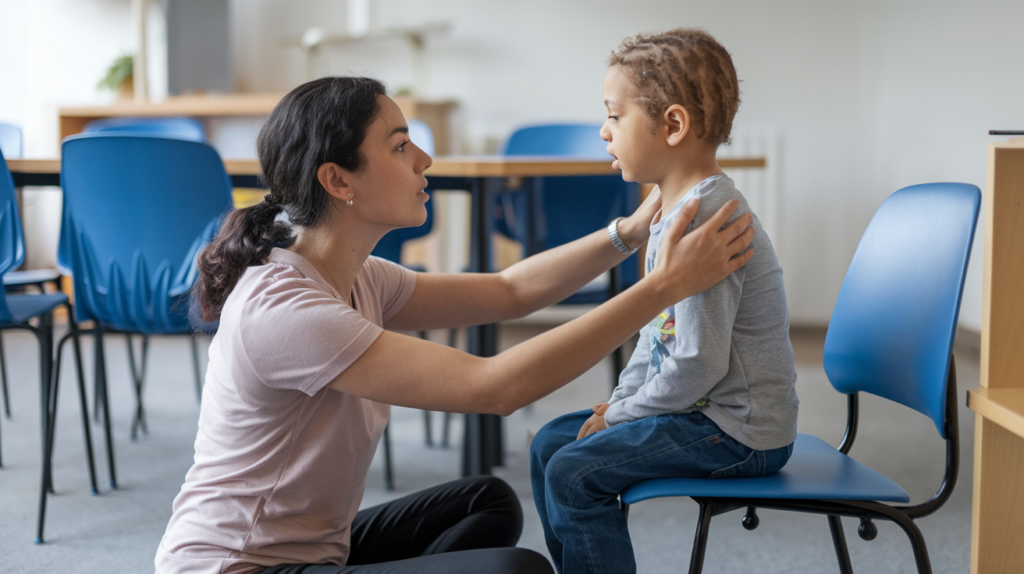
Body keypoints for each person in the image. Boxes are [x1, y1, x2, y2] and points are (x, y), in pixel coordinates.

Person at [154, 76, 755, 574]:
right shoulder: (286, 310)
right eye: (398, 147)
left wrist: (626, 234)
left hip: (318, 552)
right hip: (238, 567)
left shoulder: (358, 275)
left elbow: (510, 290)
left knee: (485, 502)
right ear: (339, 182)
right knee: (516, 572)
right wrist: (662, 289)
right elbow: (493, 388)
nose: (424, 159)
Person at [529, 28, 800, 574]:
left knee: (572, 473)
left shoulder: (706, 218)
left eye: (614, 115)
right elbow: (657, 333)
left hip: (739, 431)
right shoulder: (667, 208)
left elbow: (698, 361)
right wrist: (618, 404)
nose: (603, 131)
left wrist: (623, 415)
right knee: (548, 447)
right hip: (700, 410)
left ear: (673, 125)